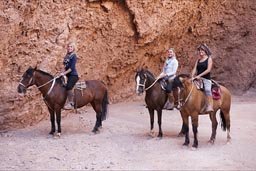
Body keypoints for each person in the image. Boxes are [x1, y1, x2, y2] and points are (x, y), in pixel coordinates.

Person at [191, 43, 213, 112]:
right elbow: (194, 69)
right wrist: (192, 76)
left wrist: (199, 76)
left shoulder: (209, 59)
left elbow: (208, 70)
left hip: (206, 79)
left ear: (205, 51)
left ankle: (210, 105)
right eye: (199, 50)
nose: (200, 51)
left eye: (202, 50)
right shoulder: (198, 60)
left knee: (207, 90)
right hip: (197, 79)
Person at [60, 42, 79, 110]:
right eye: (68, 46)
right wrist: (61, 72)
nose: (69, 48)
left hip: (73, 75)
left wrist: (64, 73)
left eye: (71, 46)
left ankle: (71, 103)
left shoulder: (74, 56)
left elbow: (72, 68)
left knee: (68, 87)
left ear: (73, 48)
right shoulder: (67, 55)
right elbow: (65, 66)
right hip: (67, 75)